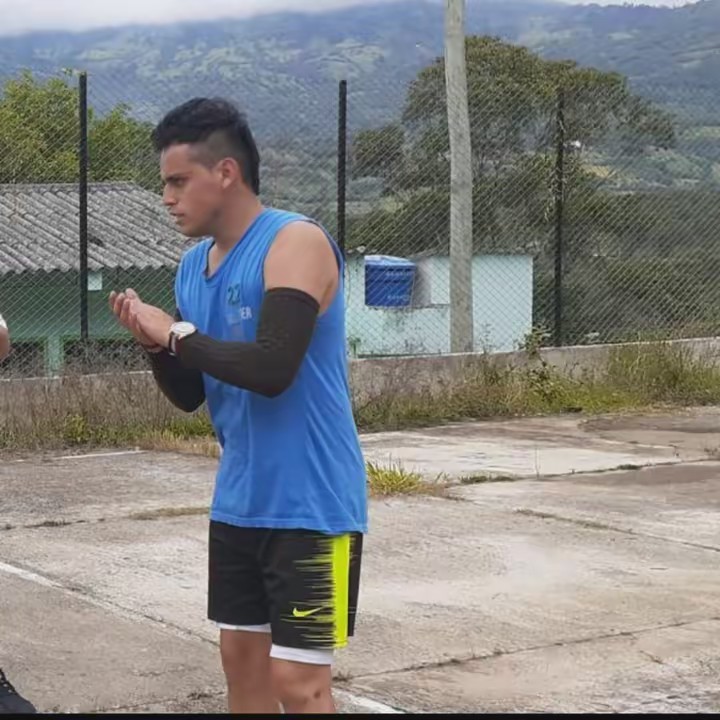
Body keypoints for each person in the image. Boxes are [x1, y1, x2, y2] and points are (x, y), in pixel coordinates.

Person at [109, 97, 367, 714]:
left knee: (298, 683)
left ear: (225, 172)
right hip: (240, 502)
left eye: (178, 181)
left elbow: (272, 369)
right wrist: (156, 346)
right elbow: (192, 394)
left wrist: (175, 333)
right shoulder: (193, 267)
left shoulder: (294, 241)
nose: (167, 198)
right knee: (242, 668)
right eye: (165, 184)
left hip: (315, 506)